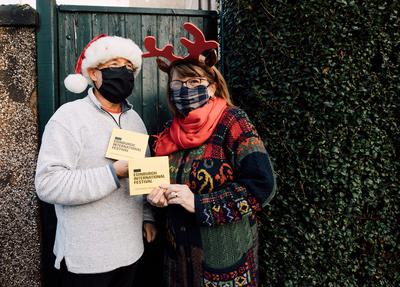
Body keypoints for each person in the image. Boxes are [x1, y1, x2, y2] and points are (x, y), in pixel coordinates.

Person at [144, 23, 276, 287]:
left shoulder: (233, 122)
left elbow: (263, 186)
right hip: (178, 259)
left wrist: (199, 203)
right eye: (178, 83)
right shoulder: (169, 132)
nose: (185, 89)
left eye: (194, 82)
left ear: (213, 87)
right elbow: (155, 180)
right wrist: (155, 197)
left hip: (224, 258)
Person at [35, 34, 156, 287]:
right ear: (93, 73)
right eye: (114, 66)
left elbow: (143, 175)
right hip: (86, 261)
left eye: (129, 67)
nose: (123, 73)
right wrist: (112, 173)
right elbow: (48, 184)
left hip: (131, 251)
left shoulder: (136, 121)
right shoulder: (68, 118)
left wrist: (147, 216)